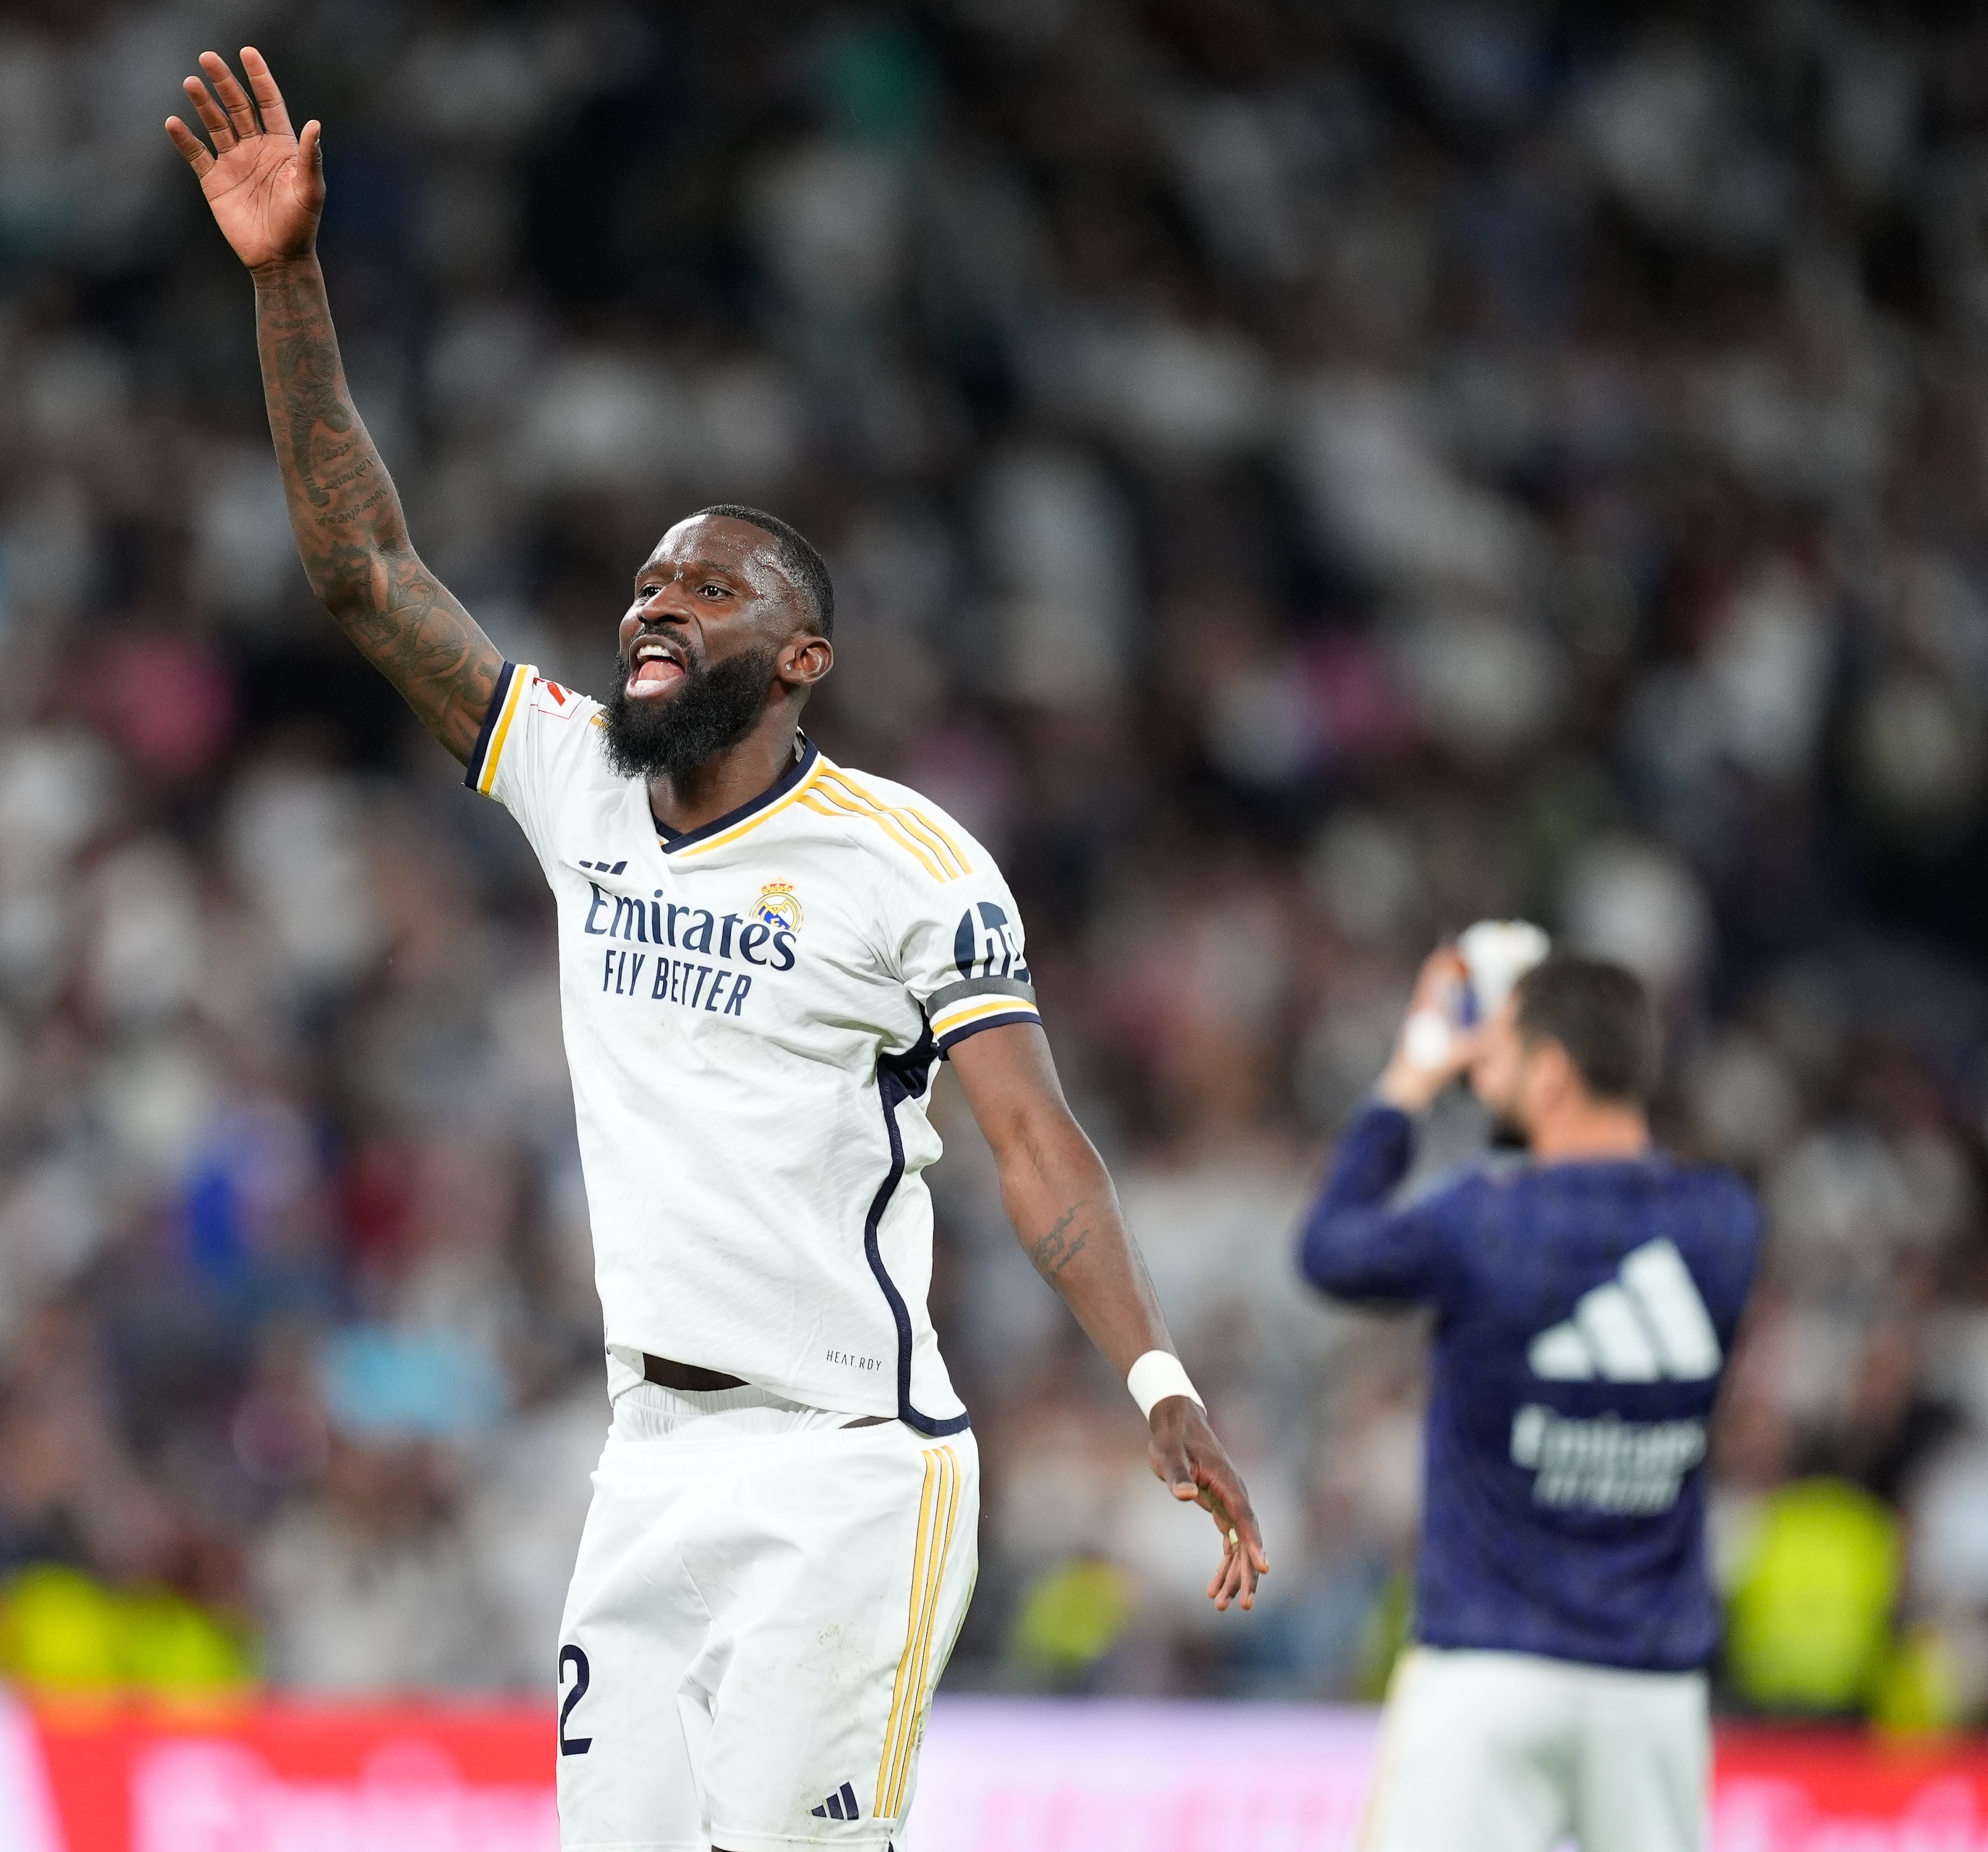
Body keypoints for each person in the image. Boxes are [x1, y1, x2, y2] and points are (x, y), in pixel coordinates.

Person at [164, 49, 1265, 1849]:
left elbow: (1031, 1143)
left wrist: (1155, 1377)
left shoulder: (910, 864)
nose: (655, 602)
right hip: (649, 1461)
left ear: (804, 658)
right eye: (650, 581)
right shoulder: (583, 779)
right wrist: (288, 281)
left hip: (845, 1471)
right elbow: (367, 576)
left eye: (709, 586)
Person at [1300, 948, 1759, 1852]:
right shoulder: (1726, 1221)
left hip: (1489, 1666)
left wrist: (1410, 1078)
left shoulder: (1484, 1219)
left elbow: (1330, 1249)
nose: (1482, 1069)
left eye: (1500, 1050)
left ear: (1551, 1073)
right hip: (1653, 1686)